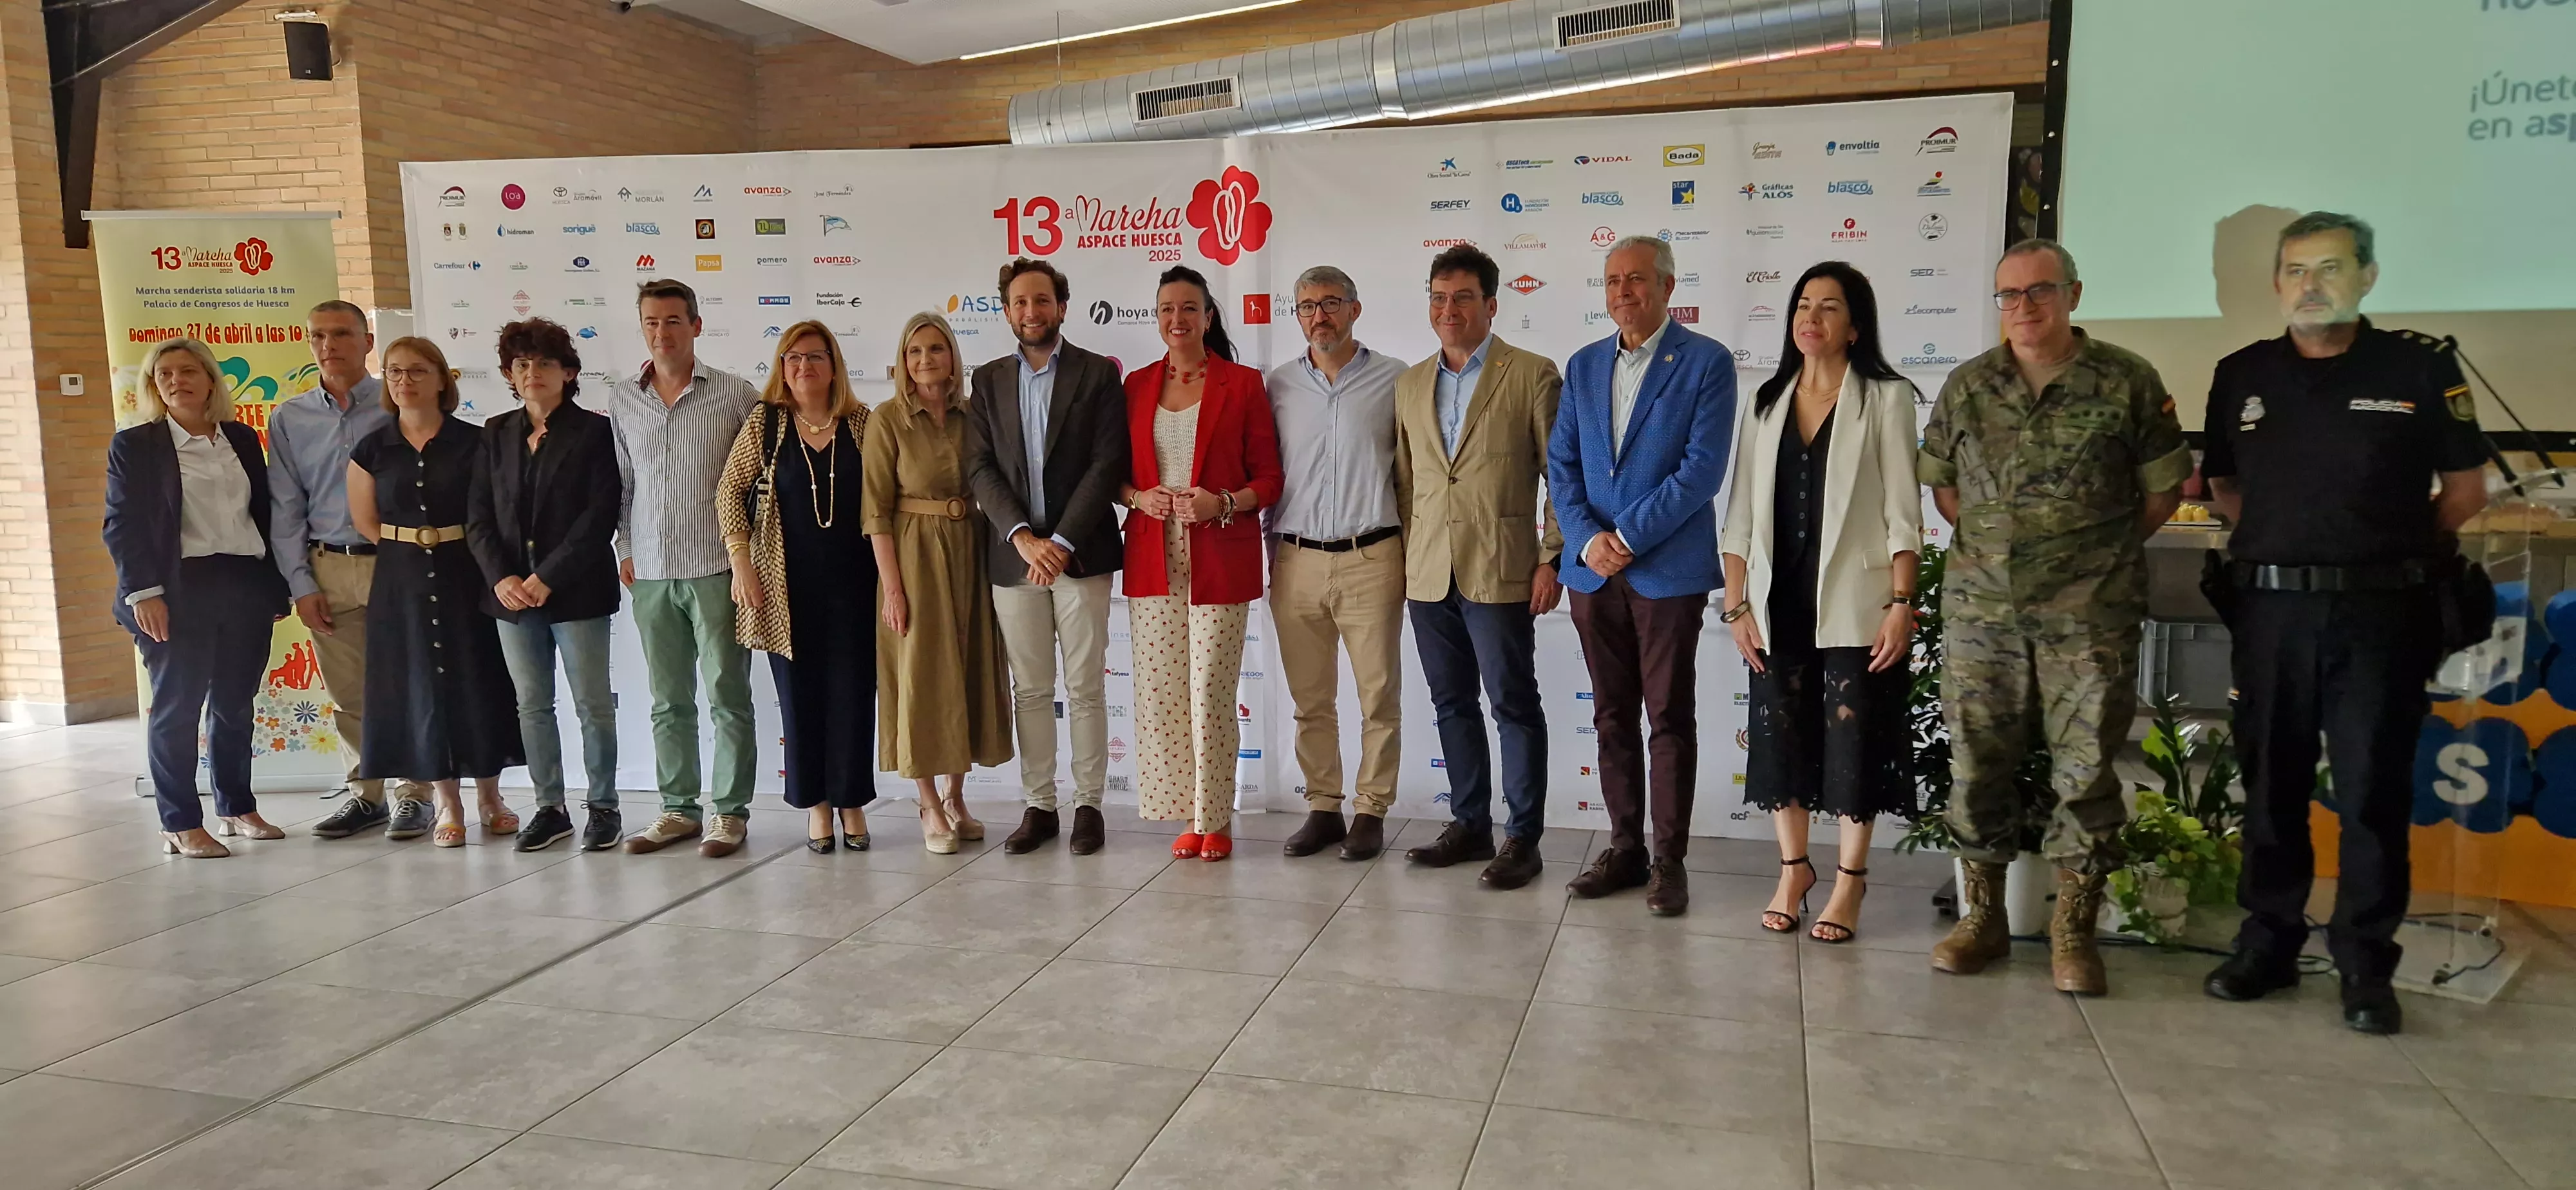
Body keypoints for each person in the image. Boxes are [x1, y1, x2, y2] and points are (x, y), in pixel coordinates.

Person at [2199, 212, 2488, 1035]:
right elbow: (2225, 489)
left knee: (2369, 793)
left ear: (2367, 276)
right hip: (2270, 613)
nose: (2310, 284)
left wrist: (2379, 553)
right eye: (2294, 270)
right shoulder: (2241, 374)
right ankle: (2269, 943)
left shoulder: (2418, 367)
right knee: (2270, 789)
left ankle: (2364, 965)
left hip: (2379, 615)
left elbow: (2463, 492)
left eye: (2329, 268)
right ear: (2276, 283)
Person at [1918, 239, 2189, 996]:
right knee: (1976, 766)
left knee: (2085, 773)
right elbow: (1944, 491)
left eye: (2040, 292)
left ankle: (2073, 931)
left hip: (2088, 616)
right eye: (2008, 296)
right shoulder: (1970, 384)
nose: (2024, 308)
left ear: (2073, 294)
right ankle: (1982, 920)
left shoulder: (2128, 381)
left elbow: (2162, 492)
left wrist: (2091, 559)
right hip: (1983, 618)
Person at [1720, 263, 1924, 941]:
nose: (1811, 317)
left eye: (1829, 307)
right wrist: (1736, 603)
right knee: (1782, 739)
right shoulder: (1765, 400)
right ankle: (1793, 869)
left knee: (1851, 744)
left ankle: (1849, 882)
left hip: (1857, 602)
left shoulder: (1885, 399)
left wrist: (1902, 602)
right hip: (1778, 604)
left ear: (1854, 325)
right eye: (1803, 305)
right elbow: (1740, 516)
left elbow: (1903, 512)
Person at [1550, 235, 1736, 917]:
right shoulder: (1583, 365)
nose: (1622, 293)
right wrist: (1585, 539)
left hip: (1666, 571)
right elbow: (1562, 465)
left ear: (1665, 286)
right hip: (1591, 573)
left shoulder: (1707, 362)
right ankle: (1625, 848)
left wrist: (1625, 537)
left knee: (1667, 719)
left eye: (1635, 280)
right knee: (1609, 718)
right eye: (1611, 281)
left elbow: (1701, 470)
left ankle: (1669, 861)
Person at [1393, 244, 1565, 889]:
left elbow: (1560, 478)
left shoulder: (1530, 374)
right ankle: (1470, 824)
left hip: (1502, 570)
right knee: (1450, 704)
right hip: (1428, 572)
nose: (1449, 310)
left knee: (1513, 704)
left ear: (1490, 305)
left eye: (1463, 298)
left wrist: (1550, 558)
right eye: (1438, 298)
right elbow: (1408, 484)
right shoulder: (1410, 383)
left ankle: (1523, 838)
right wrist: (1411, 557)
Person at [963, 258, 1129, 856]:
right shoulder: (985, 381)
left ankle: (1089, 806)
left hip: (1080, 556)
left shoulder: (1098, 374)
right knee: (1030, 690)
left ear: (1062, 305)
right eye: (1019, 303)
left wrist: (1059, 543)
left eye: (1041, 300)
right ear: (1006, 311)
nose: (1030, 312)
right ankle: (1040, 807)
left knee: (1085, 686)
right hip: (1014, 560)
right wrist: (1023, 537)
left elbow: (1107, 463)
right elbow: (979, 467)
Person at [104, 337, 294, 858]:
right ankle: (180, 821)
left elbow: (264, 517)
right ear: (153, 387)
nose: (175, 381)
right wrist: (144, 593)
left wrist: (276, 588)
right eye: (163, 375)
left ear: (211, 379)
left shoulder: (240, 438)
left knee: (235, 704)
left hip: (244, 583)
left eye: (187, 371)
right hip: (175, 589)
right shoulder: (136, 445)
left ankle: (235, 806)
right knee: (178, 708)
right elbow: (122, 527)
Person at [1119, 266, 1283, 863]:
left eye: (1189, 308)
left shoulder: (1242, 384)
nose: (1177, 319)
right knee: (1164, 697)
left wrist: (1224, 504)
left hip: (1221, 555)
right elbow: (1113, 474)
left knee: (1210, 691)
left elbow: (1269, 478)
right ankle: (1186, 813)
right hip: (1152, 556)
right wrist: (1140, 497)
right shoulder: (1135, 386)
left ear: (1208, 317)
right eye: (1166, 308)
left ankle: (1216, 819)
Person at [345, 337, 525, 848]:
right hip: (400, 580)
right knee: (423, 689)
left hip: (467, 571)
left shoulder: (476, 442)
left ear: (443, 379)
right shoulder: (372, 447)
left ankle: (490, 797)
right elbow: (365, 521)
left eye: (418, 371)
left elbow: (492, 510)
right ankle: (448, 805)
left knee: (477, 681)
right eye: (396, 372)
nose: (405, 381)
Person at [610, 279, 761, 858]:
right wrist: (625, 549)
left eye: (673, 321)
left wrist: (749, 558)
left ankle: (730, 813)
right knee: (667, 700)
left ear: (696, 326)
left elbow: (754, 482)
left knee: (728, 695)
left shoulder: (734, 395)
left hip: (716, 567)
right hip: (649, 569)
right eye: (651, 322)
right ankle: (678, 809)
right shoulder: (623, 399)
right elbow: (624, 483)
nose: (661, 332)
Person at [1265, 265, 1410, 862]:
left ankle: (1371, 811)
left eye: (1330, 304)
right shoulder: (1275, 387)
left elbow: (1412, 473)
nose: (1318, 316)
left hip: (1371, 555)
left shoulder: (1398, 381)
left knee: (1378, 696)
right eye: (1306, 307)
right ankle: (1323, 808)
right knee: (1310, 699)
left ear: (1355, 309)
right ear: (1296, 316)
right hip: (1295, 558)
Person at [720, 321, 880, 854]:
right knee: (800, 700)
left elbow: (886, 499)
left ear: (834, 365)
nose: (804, 367)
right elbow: (729, 493)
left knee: (854, 698)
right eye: (793, 358)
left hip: (858, 589)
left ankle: (852, 803)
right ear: (781, 368)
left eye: (815, 357)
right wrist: (741, 563)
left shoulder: (862, 423)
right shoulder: (766, 423)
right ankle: (816, 807)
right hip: (785, 592)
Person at [272, 301, 428, 841]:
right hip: (328, 567)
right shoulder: (290, 418)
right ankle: (366, 794)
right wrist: (300, 583)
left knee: (409, 682)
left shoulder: (395, 406)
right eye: (318, 336)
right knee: (349, 692)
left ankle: (415, 794)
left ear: (367, 343)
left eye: (342, 334)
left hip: (396, 562)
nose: (329, 345)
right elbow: (286, 507)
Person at [467, 318, 623, 853]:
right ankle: (549, 807)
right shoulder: (494, 432)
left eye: (544, 363)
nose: (532, 372)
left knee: (593, 705)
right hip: (511, 597)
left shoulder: (596, 432)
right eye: (521, 364)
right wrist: (504, 578)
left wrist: (546, 577)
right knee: (532, 705)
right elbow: (478, 518)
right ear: (511, 374)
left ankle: (604, 806)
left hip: (575, 591)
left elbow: (599, 517)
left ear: (569, 372)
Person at [865, 312, 1014, 855]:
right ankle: (926, 800)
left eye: (936, 349)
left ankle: (956, 796)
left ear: (953, 357)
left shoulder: (970, 416)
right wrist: (895, 589)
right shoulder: (887, 421)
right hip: (912, 554)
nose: (926, 360)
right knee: (921, 675)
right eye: (915, 352)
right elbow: (876, 512)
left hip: (970, 548)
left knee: (969, 668)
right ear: (903, 362)